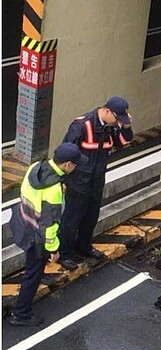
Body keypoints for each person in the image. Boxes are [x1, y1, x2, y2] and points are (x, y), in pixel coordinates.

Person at [9, 143, 87, 326]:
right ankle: (21, 314)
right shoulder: (54, 191)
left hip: (23, 224)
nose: (75, 167)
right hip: (38, 239)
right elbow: (49, 226)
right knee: (32, 274)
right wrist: (53, 249)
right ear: (67, 165)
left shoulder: (36, 167)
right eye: (75, 164)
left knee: (33, 269)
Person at [58, 96, 134, 270]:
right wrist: (62, 180)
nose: (118, 122)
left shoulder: (111, 128)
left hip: (96, 180)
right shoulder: (81, 125)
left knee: (91, 216)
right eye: (117, 118)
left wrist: (126, 128)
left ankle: (83, 246)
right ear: (107, 111)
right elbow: (64, 155)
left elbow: (123, 143)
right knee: (71, 219)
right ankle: (65, 253)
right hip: (78, 182)